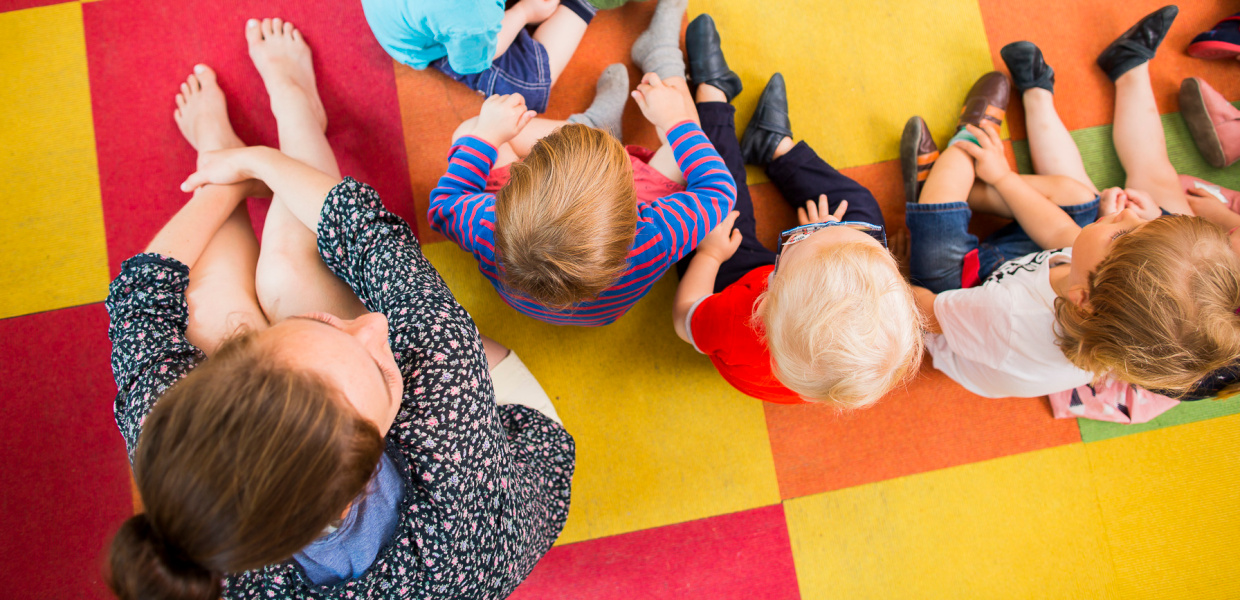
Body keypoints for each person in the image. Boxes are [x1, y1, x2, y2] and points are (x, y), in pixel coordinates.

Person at [106, 19, 572, 599]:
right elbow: (368, 237)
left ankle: (217, 155)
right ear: (365, 472)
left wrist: (226, 180)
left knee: (210, 308)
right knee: (288, 273)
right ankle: (293, 117)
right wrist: (261, 166)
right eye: (378, 363)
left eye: (331, 327)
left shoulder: (181, 462)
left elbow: (139, 305)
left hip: (463, 454)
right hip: (504, 434)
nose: (375, 324)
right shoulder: (443, 400)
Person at [428, 0, 737, 327]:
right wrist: (676, 122)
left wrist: (486, 136)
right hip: (604, 292)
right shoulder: (653, 239)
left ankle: (593, 125)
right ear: (632, 199)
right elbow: (719, 189)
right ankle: (661, 55)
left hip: (527, 277)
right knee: (687, 127)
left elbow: (444, 204)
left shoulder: (487, 225)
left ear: (508, 197)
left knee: (470, 130)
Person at [669, 15, 921, 407]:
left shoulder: (739, 318)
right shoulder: (847, 358)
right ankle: (773, 147)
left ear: (768, 295)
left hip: (732, 276)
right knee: (864, 214)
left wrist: (710, 254)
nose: (813, 229)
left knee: (714, 206)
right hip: (795, 316)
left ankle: (712, 96)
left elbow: (685, 317)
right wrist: (825, 237)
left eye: (801, 236)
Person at [995, 6, 1240, 396]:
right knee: (1145, 181)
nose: (1128, 213)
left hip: (1141, 301)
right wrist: (1152, 221)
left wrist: (1135, 226)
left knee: (1078, 197)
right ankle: (1126, 67)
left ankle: (1040, 96)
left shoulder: (1165, 334)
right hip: (1165, 278)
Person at [360, 0, 599, 114]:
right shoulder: (472, 15)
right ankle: (583, 4)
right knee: (530, 86)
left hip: (406, 14)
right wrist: (524, 12)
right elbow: (472, 61)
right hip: (430, 44)